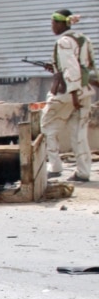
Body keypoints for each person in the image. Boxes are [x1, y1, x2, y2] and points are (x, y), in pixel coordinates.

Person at [41, 10, 94, 183]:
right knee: (79, 132)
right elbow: (88, 65)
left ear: (62, 24)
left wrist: (73, 94)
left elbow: (71, 69)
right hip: (84, 90)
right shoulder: (83, 39)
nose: (52, 27)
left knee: (47, 125)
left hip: (68, 93)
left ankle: (55, 167)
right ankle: (83, 172)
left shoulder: (63, 41)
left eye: (54, 23)